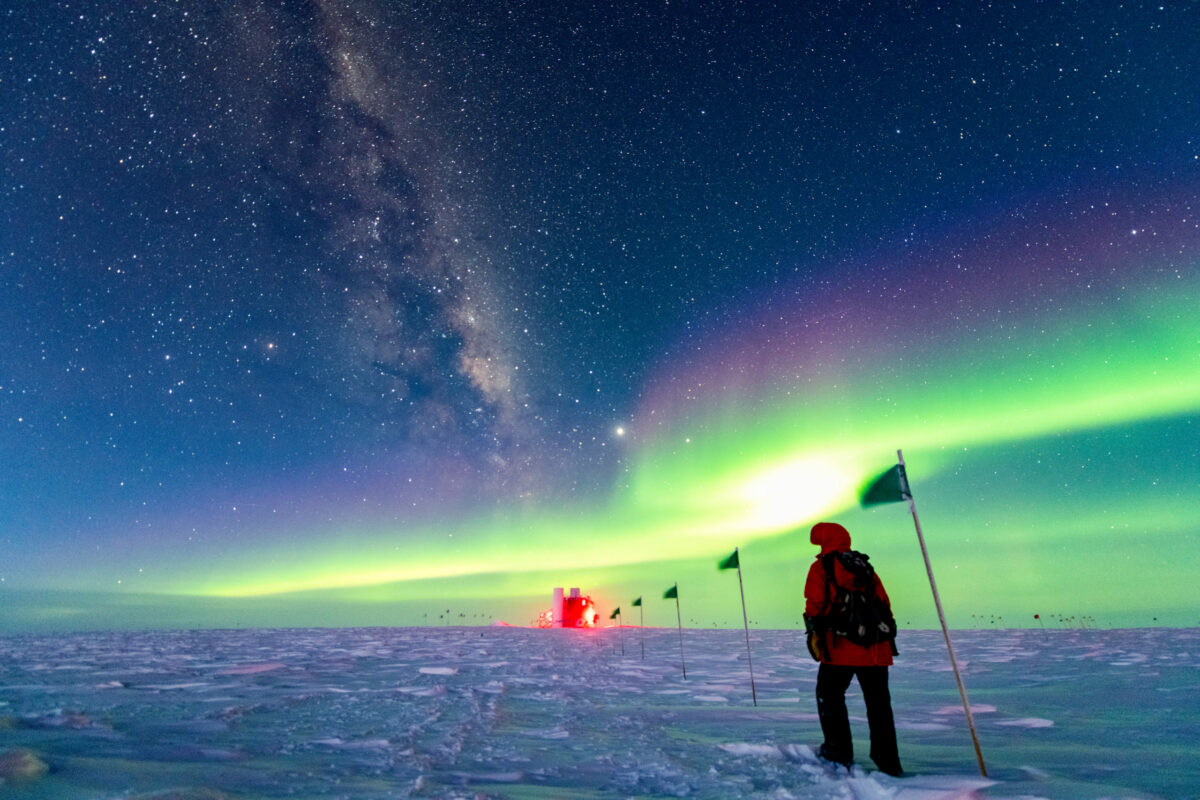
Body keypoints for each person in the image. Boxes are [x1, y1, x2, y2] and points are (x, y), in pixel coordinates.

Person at [803, 521, 903, 776]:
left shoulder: (822, 567)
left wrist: (813, 634)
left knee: (830, 696)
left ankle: (838, 752)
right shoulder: (864, 566)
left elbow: (814, 603)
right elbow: (884, 602)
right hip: (876, 650)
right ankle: (888, 761)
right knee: (879, 705)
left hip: (840, 647)